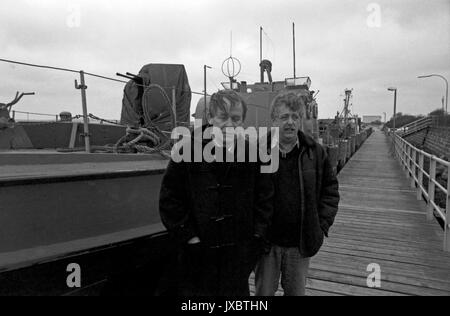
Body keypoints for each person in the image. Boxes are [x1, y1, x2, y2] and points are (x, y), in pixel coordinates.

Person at [159, 90, 274, 296]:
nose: (229, 124)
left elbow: (265, 199)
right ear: (210, 117)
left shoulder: (253, 154)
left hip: (237, 259)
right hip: (197, 259)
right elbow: (170, 200)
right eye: (223, 117)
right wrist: (190, 238)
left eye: (236, 118)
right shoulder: (186, 151)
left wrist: (256, 238)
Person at [255, 92, 340, 296]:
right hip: (267, 246)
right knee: (263, 295)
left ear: (301, 120)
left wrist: (321, 226)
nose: (290, 122)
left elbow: (330, 191)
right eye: (284, 117)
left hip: (300, 245)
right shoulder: (256, 151)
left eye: (295, 117)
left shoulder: (316, 153)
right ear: (274, 120)